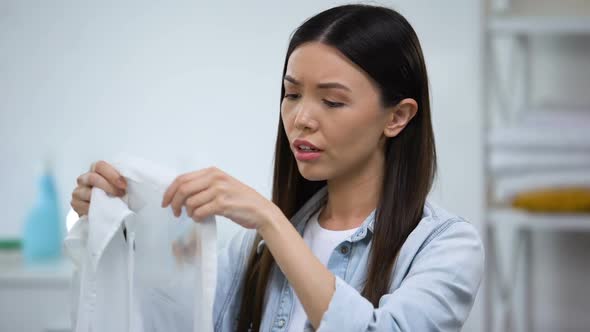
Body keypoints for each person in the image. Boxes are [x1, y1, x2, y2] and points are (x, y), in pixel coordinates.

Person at [70, 4, 484, 331]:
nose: (301, 118)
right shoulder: (250, 250)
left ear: (397, 117)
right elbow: (172, 319)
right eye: (291, 94)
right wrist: (114, 224)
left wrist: (271, 220)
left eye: (332, 101)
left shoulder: (446, 246)